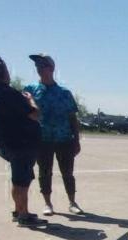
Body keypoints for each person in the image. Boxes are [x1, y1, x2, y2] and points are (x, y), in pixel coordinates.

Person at [0, 55, 46, 226]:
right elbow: (35, 113)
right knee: (21, 181)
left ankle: (19, 210)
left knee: (18, 178)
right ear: (3, 71)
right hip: (21, 143)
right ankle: (23, 215)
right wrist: (30, 99)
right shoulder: (7, 93)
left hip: (5, 142)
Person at [24, 53, 83, 216]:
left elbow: (72, 118)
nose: (39, 69)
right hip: (42, 139)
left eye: (42, 65)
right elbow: (25, 114)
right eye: (37, 66)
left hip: (64, 139)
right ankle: (48, 203)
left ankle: (72, 202)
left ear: (51, 68)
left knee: (68, 172)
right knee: (44, 172)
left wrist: (76, 140)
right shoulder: (30, 90)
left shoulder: (64, 93)